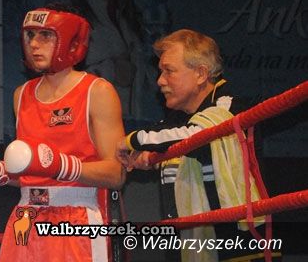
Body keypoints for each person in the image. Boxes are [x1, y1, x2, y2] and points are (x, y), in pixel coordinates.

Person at [0, 2, 125, 260]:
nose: (34, 44)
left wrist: (61, 166)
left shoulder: (97, 92)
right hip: (26, 215)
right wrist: (0, 173)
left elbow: (116, 173)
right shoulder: (21, 95)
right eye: (30, 35)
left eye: (46, 35)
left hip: (76, 218)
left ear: (70, 40)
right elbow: (32, 170)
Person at [117, 29, 280, 262]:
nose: (160, 80)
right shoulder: (173, 124)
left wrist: (132, 140)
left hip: (242, 248)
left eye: (169, 71)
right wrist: (147, 154)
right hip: (192, 249)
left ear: (201, 74)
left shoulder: (228, 109)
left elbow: (196, 136)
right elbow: (170, 139)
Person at [70, 0, 156, 121]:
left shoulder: (129, 20)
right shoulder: (73, 22)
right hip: (90, 123)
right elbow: (60, 81)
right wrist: (111, 71)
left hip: (131, 121)